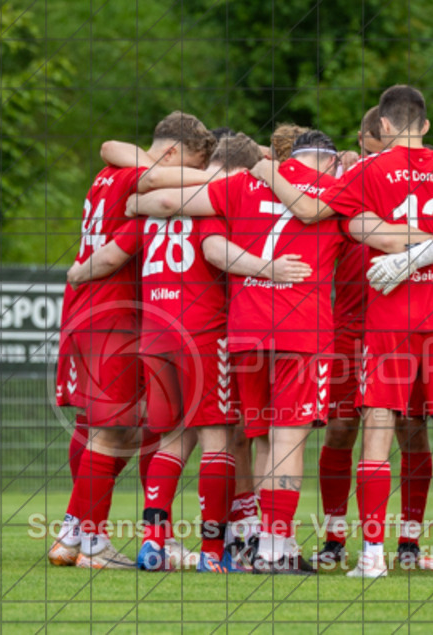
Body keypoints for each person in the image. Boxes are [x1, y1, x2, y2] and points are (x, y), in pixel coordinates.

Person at [251, 85, 433, 579]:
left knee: (377, 434)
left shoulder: (368, 170)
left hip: (388, 313)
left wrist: (267, 171)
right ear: (426, 125)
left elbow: (313, 212)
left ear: (382, 125)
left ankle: (371, 556)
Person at [127, 129, 347, 574]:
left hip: (245, 333)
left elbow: (164, 202)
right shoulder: (337, 191)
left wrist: (133, 203)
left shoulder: (242, 184)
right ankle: (274, 547)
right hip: (302, 331)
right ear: (329, 160)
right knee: (287, 440)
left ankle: (251, 541)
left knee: (260, 438)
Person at [49, 111, 213, 570]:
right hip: (111, 314)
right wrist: (83, 270)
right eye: (190, 168)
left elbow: (110, 146)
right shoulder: (136, 179)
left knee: (101, 424)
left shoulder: (110, 172)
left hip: (92, 310)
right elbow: (127, 230)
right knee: (115, 429)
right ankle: (91, 541)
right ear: (172, 154)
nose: (187, 178)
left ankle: (73, 531)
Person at [312, 105, 433, 569]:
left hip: (406, 324)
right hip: (350, 328)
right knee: (342, 429)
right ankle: (334, 537)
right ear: (367, 140)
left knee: (411, 429)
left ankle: (408, 541)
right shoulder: (345, 183)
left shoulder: (428, 180)